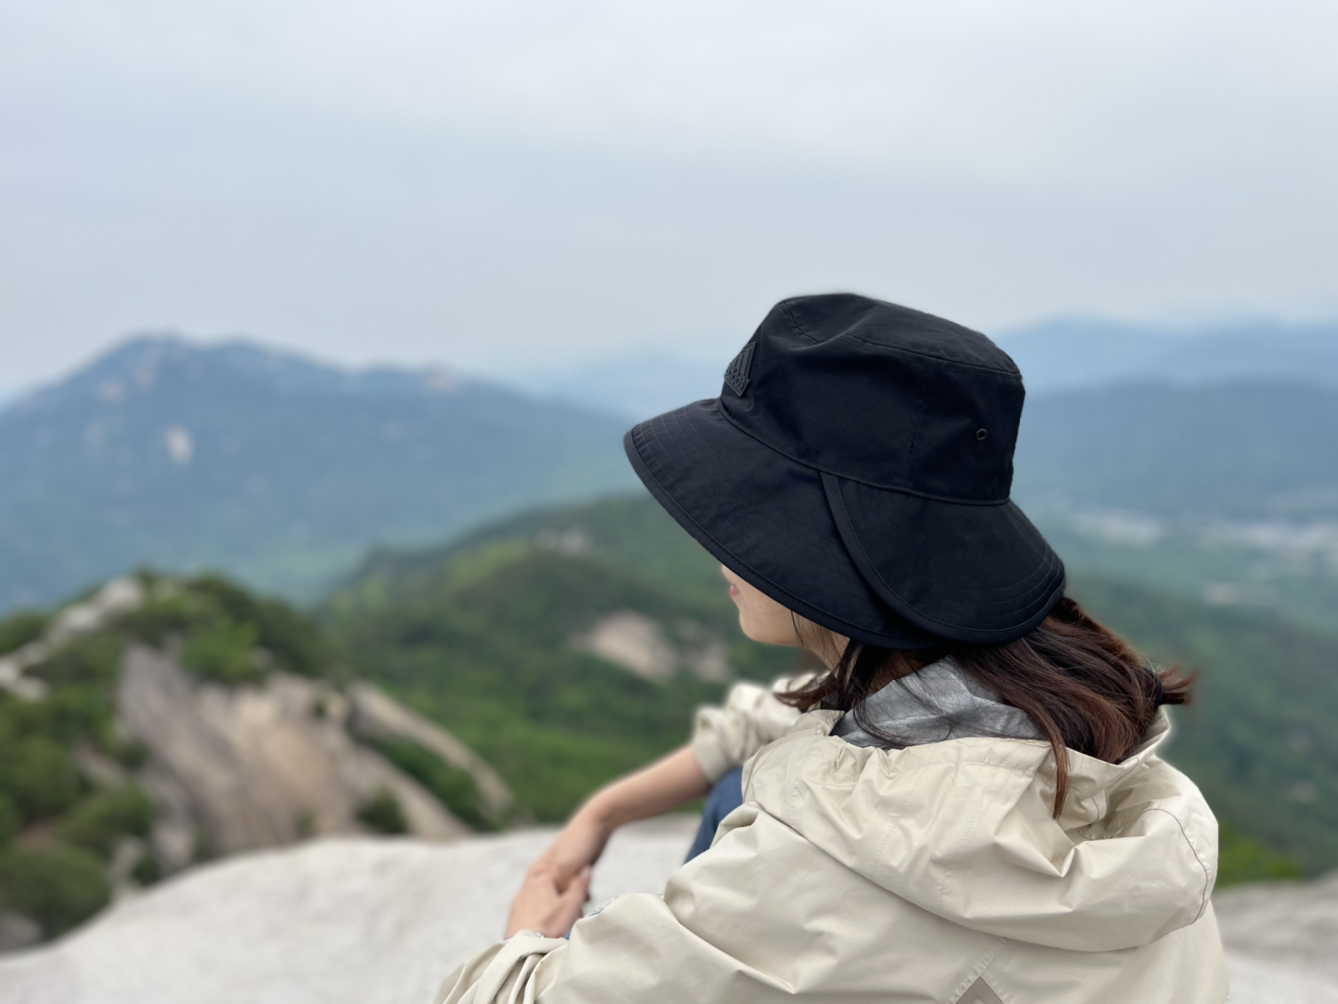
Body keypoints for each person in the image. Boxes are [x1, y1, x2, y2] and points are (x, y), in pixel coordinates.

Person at [435, 294, 1228, 1003]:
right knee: (732, 793)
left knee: (733, 813)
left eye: (749, 512)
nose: (721, 548)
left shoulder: (815, 877)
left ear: (842, 549)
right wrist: (603, 814)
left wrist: (526, 937)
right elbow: (782, 723)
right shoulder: (1068, 724)